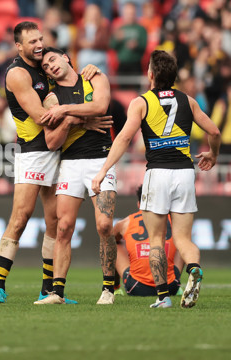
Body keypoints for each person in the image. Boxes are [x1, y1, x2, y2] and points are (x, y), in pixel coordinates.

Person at [92, 50, 221, 308]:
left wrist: (104, 169)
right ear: (173, 76)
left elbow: (125, 138)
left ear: (150, 74)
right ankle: (193, 268)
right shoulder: (188, 101)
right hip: (185, 173)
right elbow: (215, 131)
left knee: (156, 241)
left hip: (158, 172)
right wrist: (213, 155)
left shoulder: (141, 102)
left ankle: (163, 298)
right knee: (183, 239)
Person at [0, 22, 103, 304]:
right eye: (32, 42)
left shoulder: (47, 66)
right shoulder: (17, 73)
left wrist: (90, 70)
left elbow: (73, 80)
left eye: (40, 39)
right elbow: (42, 116)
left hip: (59, 150)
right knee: (21, 218)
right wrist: (80, 118)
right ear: (19, 46)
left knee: (55, 223)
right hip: (34, 152)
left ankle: (48, 289)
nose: (39, 45)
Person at [34, 47, 117, 305]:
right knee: (64, 227)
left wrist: (66, 111)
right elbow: (50, 141)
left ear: (65, 58)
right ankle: (57, 292)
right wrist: (70, 122)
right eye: (46, 66)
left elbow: (101, 106)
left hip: (101, 160)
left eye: (53, 60)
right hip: (70, 163)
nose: (50, 66)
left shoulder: (94, 77)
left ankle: (108, 289)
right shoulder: (50, 99)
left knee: (104, 225)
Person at [114, 185, 183, 297]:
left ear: (139, 204)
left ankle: (114, 287)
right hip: (171, 287)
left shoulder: (125, 223)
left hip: (137, 287)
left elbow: (109, 240)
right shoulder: (174, 222)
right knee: (183, 242)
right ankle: (177, 281)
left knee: (112, 244)